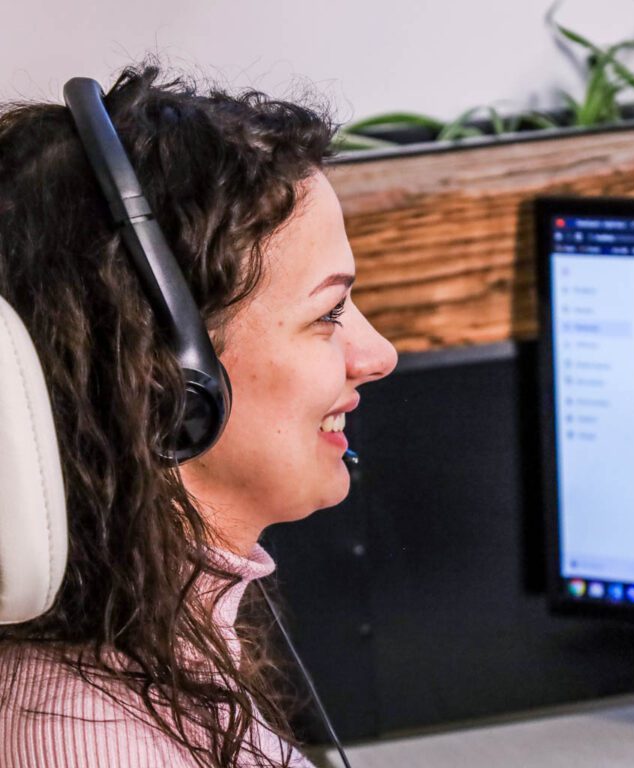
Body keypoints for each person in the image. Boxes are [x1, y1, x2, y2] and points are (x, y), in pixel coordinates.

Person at [0, 64, 397, 768]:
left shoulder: (156, 648)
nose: (378, 354)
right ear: (173, 380)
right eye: (328, 312)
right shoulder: (94, 742)